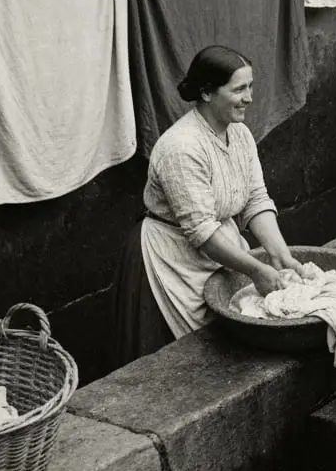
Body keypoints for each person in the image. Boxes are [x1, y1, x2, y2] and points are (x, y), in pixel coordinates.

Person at [112, 45, 303, 366]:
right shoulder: (181, 148)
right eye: (238, 89)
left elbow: (255, 198)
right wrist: (256, 269)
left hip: (219, 246)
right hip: (169, 258)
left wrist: (280, 254)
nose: (249, 98)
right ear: (206, 93)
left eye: (250, 87)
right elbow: (201, 230)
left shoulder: (240, 135)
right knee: (175, 364)